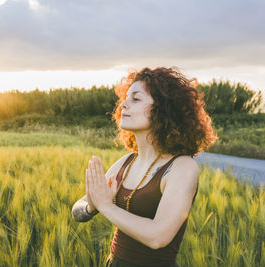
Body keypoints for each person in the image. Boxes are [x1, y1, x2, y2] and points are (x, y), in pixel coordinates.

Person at [71, 67, 217, 267]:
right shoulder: (125, 163)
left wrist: (105, 205)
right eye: (126, 97)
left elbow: (158, 237)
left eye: (136, 99)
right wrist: (92, 206)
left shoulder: (182, 167)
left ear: (163, 110)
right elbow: (78, 209)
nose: (123, 104)